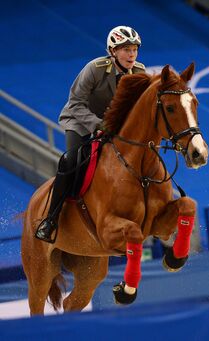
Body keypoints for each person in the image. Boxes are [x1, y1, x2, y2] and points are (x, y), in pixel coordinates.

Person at [35, 26, 146, 243]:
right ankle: (51, 219)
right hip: (80, 122)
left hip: (114, 128)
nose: (131, 55)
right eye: (125, 50)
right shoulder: (95, 68)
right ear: (113, 51)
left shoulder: (140, 72)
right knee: (72, 160)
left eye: (134, 49)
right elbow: (75, 104)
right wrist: (99, 125)